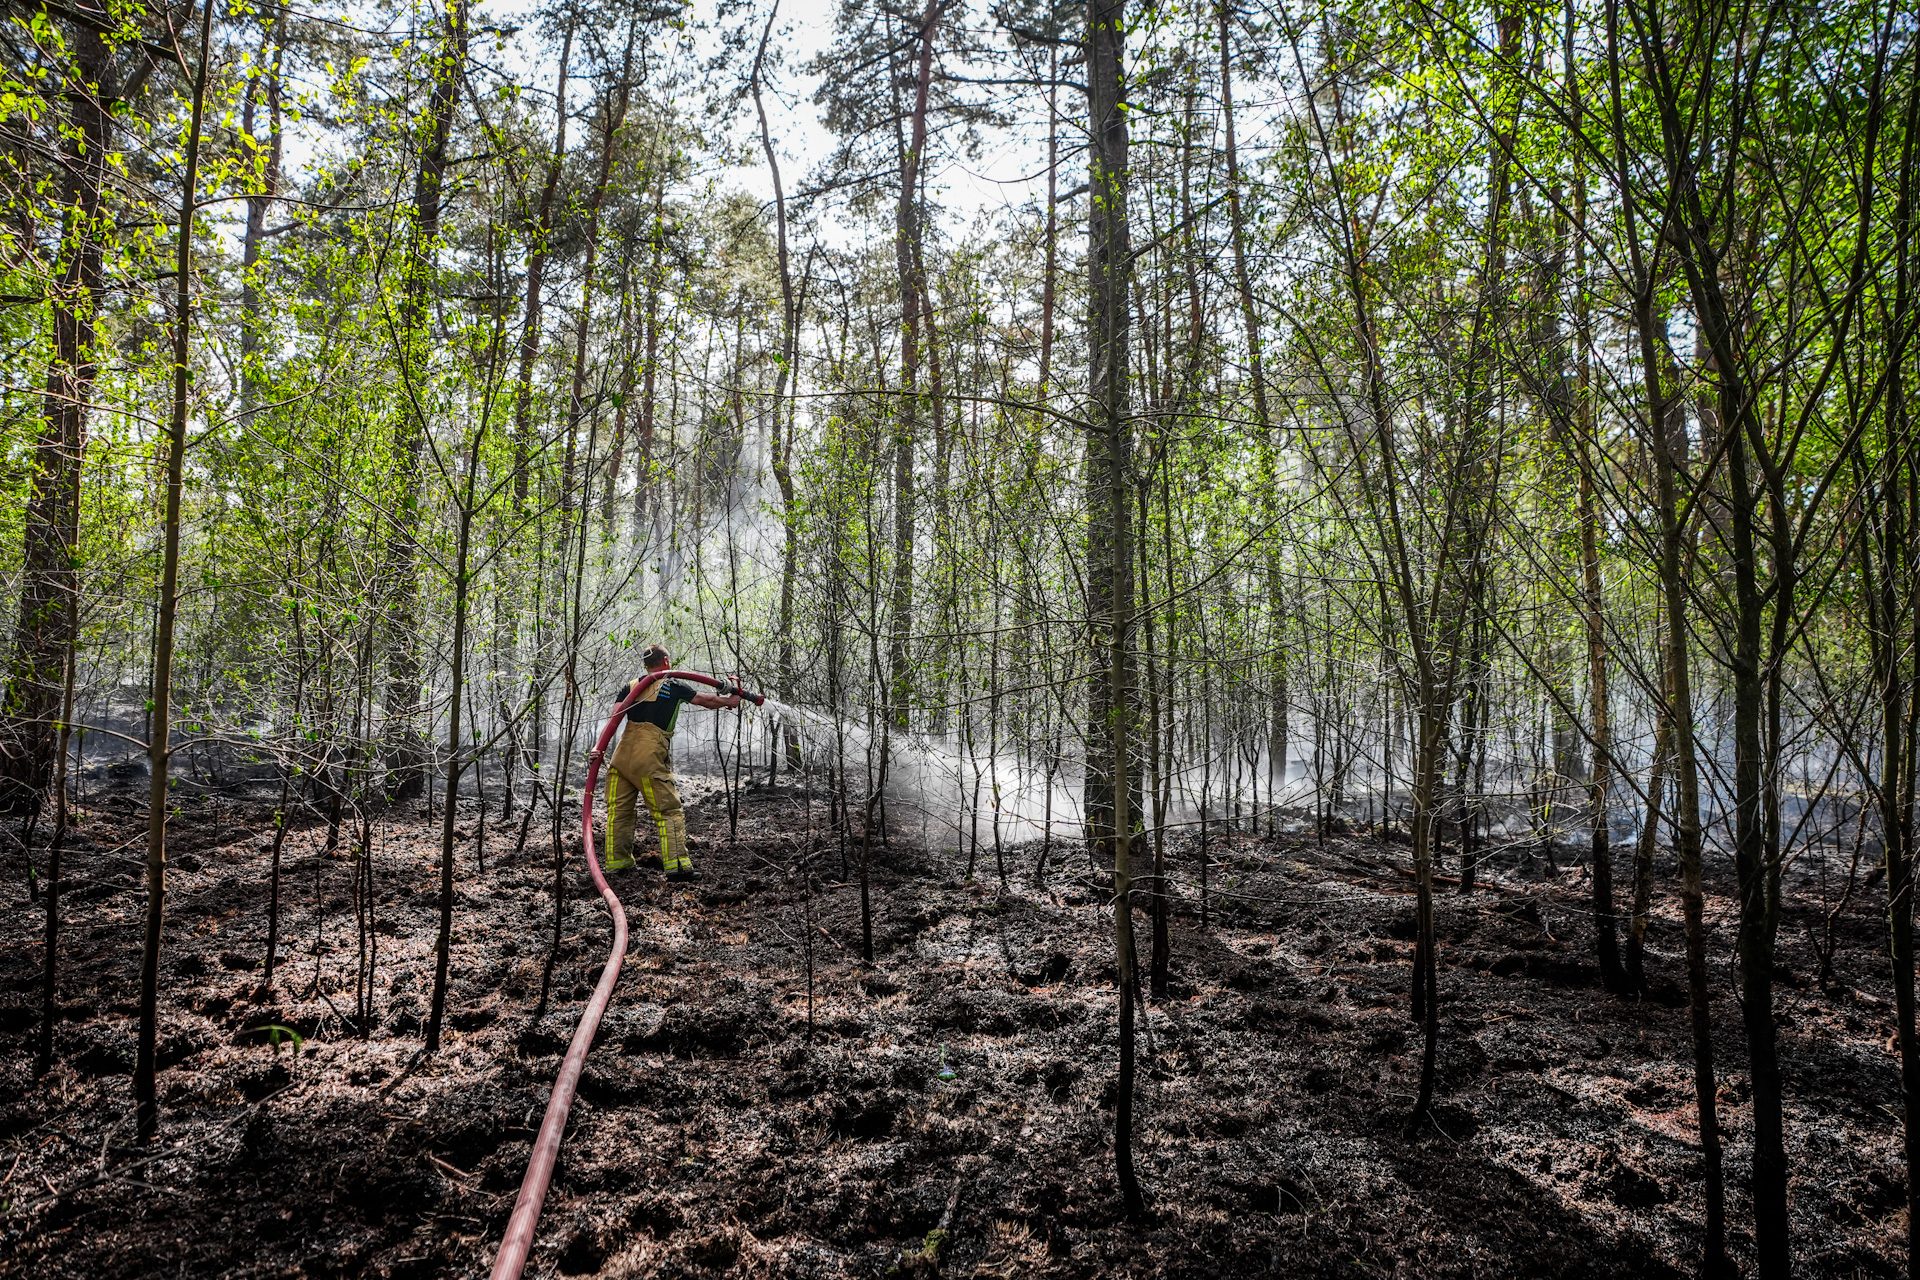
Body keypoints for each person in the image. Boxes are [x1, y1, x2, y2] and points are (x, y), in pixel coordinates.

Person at [603, 644, 743, 881]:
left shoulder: (631, 686)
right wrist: (731, 699)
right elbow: (706, 700)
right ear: (666, 661)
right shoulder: (672, 684)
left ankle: (618, 864)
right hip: (647, 758)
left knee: (619, 813)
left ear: (646, 665)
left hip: (620, 758)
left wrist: (598, 749)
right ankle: (678, 867)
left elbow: (615, 716)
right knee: (669, 811)